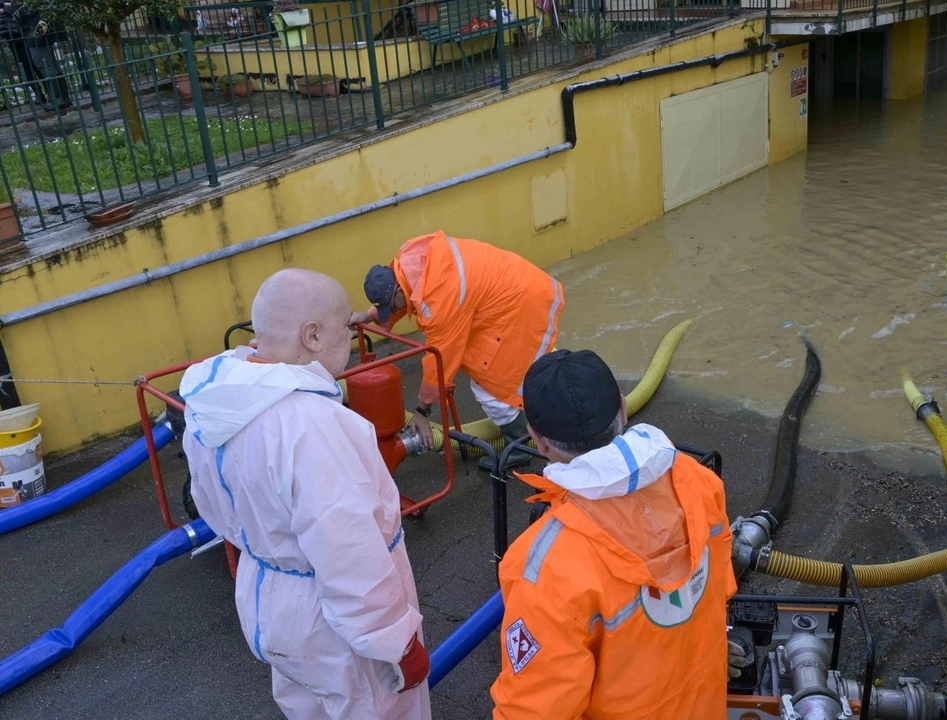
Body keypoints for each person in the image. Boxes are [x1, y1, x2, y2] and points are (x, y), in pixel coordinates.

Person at [182, 268, 431, 720]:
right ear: (312, 335)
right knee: (376, 707)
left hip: (267, 597)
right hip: (334, 624)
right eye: (345, 329)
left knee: (306, 708)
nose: (353, 340)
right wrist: (398, 642)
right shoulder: (311, 425)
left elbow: (212, 506)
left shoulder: (214, 402)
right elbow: (351, 554)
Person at [489, 349, 737, 718]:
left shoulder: (544, 567)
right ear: (623, 409)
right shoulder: (696, 479)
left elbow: (535, 708)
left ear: (537, 441)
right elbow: (718, 588)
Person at [352, 231, 564, 469]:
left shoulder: (439, 301)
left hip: (515, 305)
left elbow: (439, 362)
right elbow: (406, 295)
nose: (390, 311)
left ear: (398, 291)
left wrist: (422, 412)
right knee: (526, 362)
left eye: (389, 307)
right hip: (513, 286)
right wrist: (370, 315)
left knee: (491, 383)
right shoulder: (409, 259)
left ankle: (520, 446)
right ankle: (557, 408)